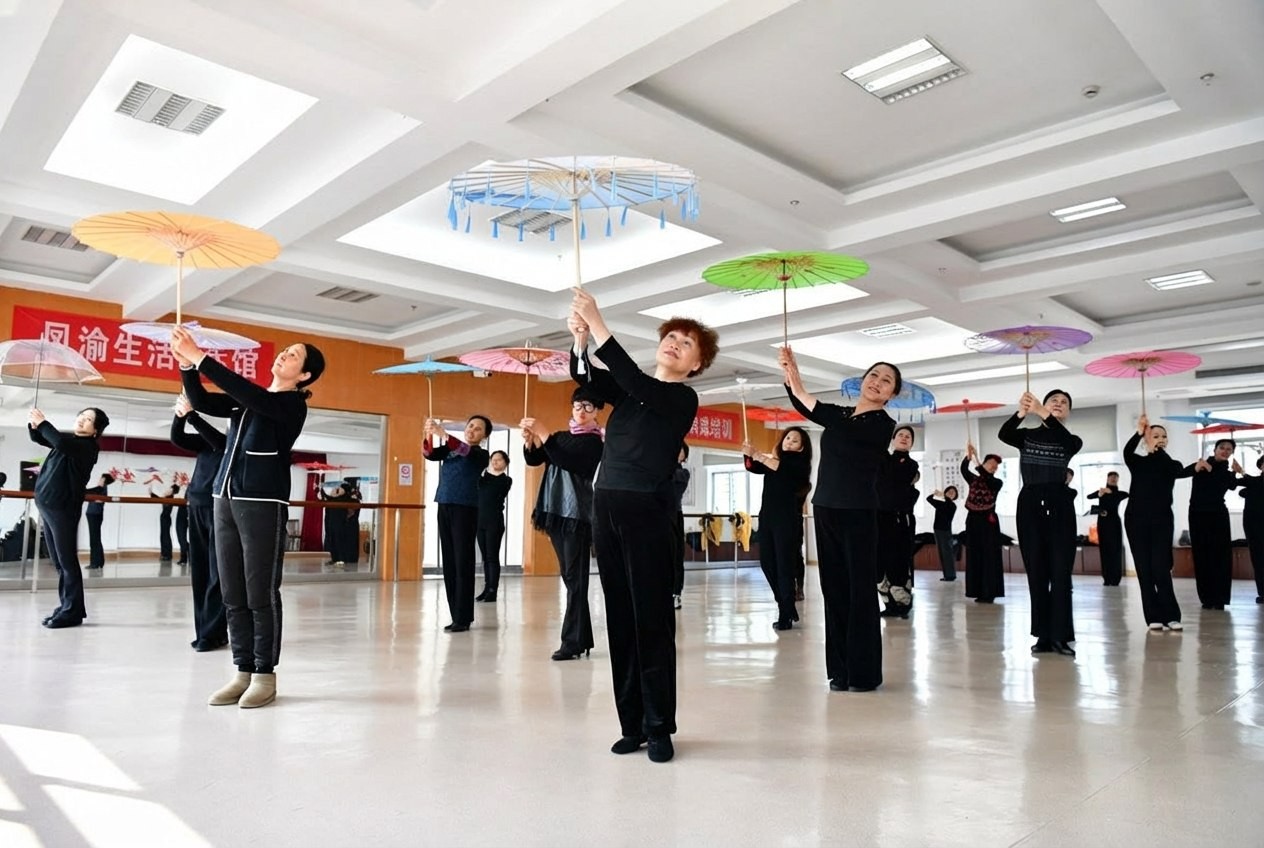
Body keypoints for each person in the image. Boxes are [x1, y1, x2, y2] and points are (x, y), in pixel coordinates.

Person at [570, 287, 717, 764]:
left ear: (695, 364)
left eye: (686, 343)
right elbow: (586, 379)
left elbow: (631, 378)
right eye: (671, 336)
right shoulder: (630, 395)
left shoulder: (680, 398)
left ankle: (658, 726)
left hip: (647, 513)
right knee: (619, 618)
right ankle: (630, 724)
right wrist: (580, 341)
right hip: (606, 506)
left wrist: (598, 321)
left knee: (650, 620)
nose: (674, 343)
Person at [173, 326, 325, 709]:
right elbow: (200, 401)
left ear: (304, 375)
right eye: (285, 350)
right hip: (223, 498)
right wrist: (187, 367)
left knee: (260, 592)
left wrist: (200, 357)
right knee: (232, 592)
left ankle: (264, 675)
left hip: (262, 502)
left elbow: (250, 395)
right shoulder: (246, 403)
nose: (284, 355)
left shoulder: (290, 405)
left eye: (293, 355)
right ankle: (242, 670)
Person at [782, 352, 898, 693]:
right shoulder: (841, 414)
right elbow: (806, 407)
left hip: (858, 511)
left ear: (891, 394)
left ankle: (864, 673)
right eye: (874, 375)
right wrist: (790, 373)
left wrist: (800, 386)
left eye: (886, 381)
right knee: (832, 590)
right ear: (862, 380)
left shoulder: (882, 424)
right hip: (826, 507)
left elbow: (820, 413)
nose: (877, 382)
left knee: (859, 591)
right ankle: (840, 670)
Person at [521, 387, 604, 659]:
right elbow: (535, 460)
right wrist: (530, 441)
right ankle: (581, 638)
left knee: (575, 578)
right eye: (577, 405)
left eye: (588, 406)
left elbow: (567, 460)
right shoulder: (559, 437)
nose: (581, 411)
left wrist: (543, 434)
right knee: (571, 578)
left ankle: (572, 642)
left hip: (577, 514)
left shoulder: (595, 443)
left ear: (597, 411)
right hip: (554, 509)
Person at [998, 389, 1083, 657]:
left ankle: (1060, 636)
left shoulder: (1071, 440)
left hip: (1060, 505)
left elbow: (1065, 441)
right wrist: (1021, 413)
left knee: (1060, 574)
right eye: (1053, 401)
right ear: (1043, 405)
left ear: (1068, 411)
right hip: (1030, 504)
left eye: (1064, 402)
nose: (1059, 404)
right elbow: (1004, 434)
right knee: (1036, 573)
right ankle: (1043, 635)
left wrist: (1042, 411)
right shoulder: (1026, 436)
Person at [29, 406, 109, 628]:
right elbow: (40, 438)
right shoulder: (70, 442)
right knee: (59, 562)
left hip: (62, 509)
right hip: (49, 507)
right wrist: (34, 425)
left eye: (88, 419)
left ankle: (72, 612)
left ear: (95, 430)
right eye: (81, 416)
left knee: (66, 561)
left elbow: (59, 441)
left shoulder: (87, 447)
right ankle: (67, 606)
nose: (82, 420)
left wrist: (43, 423)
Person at [1123, 416, 1193, 630]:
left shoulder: (1171, 464)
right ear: (1146, 440)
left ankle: (1171, 616)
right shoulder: (1137, 462)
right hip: (1136, 519)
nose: (1160, 439)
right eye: (1155, 436)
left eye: (1163, 436)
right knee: (1144, 569)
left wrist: (1158, 450)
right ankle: (1152, 617)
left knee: (1161, 568)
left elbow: (1174, 470)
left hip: (1162, 519)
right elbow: (1127, 451)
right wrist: (1139, 432)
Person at [171, 393, 229, 651]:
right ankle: (205, 631)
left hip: (221, 509)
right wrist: (179, 415)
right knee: (201, 573)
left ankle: (212, 633)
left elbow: (219, 442)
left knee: (218, 573)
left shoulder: (232, 444)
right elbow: (178, 438)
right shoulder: (207, 442)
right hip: (196, 506)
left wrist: (192, 416)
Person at [423, 415, 491, 632]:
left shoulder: (480, 454)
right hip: (444, 503)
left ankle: (464, 617)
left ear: (484, 436)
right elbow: (429, 454)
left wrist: (443, 433)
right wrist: (428, 433)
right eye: (470, 426)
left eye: (478, 429)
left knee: (463, 561)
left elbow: (464, 450)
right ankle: (456, 615)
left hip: (465, 508)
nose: (472, 430)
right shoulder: (449, 449)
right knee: (450, 562)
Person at [742, 426, 813, 630]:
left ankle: (785, 614)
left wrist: (759, 455)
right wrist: (747, 453)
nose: (789, 442)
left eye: (795, 440)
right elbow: (752, 466)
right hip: (767, 518)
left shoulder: (799, 465)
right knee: (767, 563)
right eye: (787, 438)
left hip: (786, 520)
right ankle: (786, 605)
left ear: (801, 448)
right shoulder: (773, 462)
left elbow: (780, 468)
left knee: (784, 566)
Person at [1186, 439, 1244, 610]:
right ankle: (1206, 597)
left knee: (1220, 556)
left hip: (1218, 515)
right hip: (1198, 515)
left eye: (1229, 449)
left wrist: (1237, 472)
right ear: (1215, 449)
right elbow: (1184, 475)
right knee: (1201, 555)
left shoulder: (1226, 471)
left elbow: (1231, 486)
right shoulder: (1202, 465)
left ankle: (1220, 598)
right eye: (1222, 448)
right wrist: (1202, 468)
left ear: (1232, 452)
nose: (1225, 451)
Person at [876, 426, 919, 619]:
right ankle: (889, 604)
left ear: (911, 443)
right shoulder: (882, 459)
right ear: (892, 440)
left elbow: (896, 481)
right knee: (879, 562)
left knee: (899, 560)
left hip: (900, 519)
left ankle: (903, 603)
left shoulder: (911, 465)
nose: (904, 438)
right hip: (879, 518)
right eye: (900, 435)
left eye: (908, 436)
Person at [961, 446, 1005, 603]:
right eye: (991, 464)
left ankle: (990, 592)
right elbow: (963, 470)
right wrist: (969, 457)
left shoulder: (997, 482)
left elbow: (988, 479)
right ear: (985, 463)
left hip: (988, 521)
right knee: (974, 555)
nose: (994, 467)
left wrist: (978, 463)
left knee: (989, 556)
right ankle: (978, 591)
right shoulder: (973, 479)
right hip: (973, 520)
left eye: (996, 466)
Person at [475, 450, 513, 602]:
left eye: (499, 459)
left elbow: (496, 490)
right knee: (485, 557)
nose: (495, 462)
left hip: (494, 522)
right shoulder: (482, 478)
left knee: (492, 556)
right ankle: (486, 588)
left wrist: (486, 473)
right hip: (480, 521)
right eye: (493, 459)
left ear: (505, 463)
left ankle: (493, 590)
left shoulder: (506, 480)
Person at [1087, 471, 1129, 586]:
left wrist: (1111, 492)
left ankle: (1115, 579)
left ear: (1118, 480)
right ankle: (1107, 578)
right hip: (1103, 523)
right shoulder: (1102, 491)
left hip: (1114, 524)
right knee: (1104, 550)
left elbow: (1127, 494)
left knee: (1115, 550)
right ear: (1107, 479)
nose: (1113, 479)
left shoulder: (1118, 493)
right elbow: (1089, 496)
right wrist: (1100, 493)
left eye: (1115, 477)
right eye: (1111, 477)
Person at [1240, 456, 1264, 604]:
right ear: (1261, 466)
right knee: (1258, 558)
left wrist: (1242, 472)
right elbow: (1237, 485)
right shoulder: (1254, 482)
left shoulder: (1253, 483)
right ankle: (1262, 592)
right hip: (1254, 526)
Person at [671, 445, 690, 610]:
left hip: (675, 516)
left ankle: (676, 593)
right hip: (658, 517)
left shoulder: (683, 473)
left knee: (676, 556)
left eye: (681, 450)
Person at [926, 485, 959, 581]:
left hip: (945, 531)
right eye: (949, 491)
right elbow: (928, 499)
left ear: (955, 496)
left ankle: (951, 575)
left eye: (953, 493)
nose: (951, 493)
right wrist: (935, 493)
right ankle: (947, 575)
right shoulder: (940, 503)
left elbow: (947, 504)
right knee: (942, 554)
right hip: (937, 530)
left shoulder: (952, 505)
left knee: (947, 554)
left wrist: (943, 496)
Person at [84, 472, 114, 570]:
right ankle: (99, 561)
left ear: (104, 479)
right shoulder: (99, 489)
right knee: (95, 538)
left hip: (94, 514)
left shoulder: (101, 489)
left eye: (101, 478)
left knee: (94, 539)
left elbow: (99, 500)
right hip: (94, 514)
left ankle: (95, 563)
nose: (99, 480)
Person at [150, 481, 181, 564]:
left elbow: (163, 494)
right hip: (165, 514)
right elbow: (158, 496)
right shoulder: (167, 493)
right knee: (164, 533)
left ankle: (166, 554)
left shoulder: (170, 493)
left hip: (166, 515)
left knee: (165, 534)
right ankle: (165, 553)